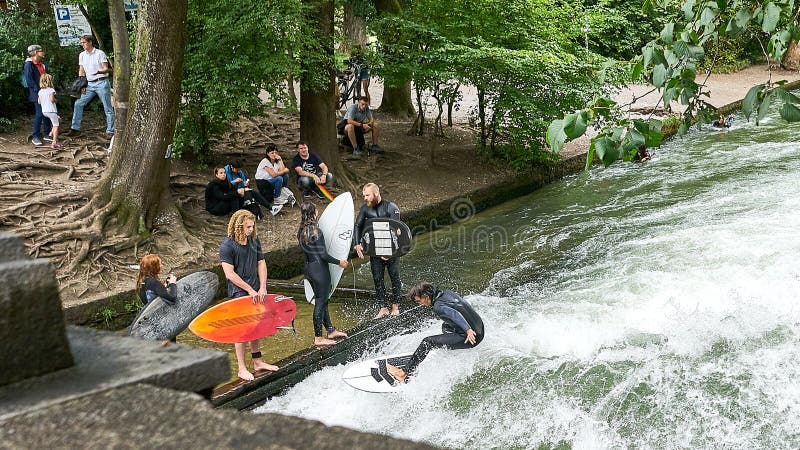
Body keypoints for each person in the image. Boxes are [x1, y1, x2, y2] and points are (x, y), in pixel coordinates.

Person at [219, 209, 280, 381]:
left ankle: (258, 361)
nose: (251, 230)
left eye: (252, 226)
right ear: (239, 227)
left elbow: (261, 263)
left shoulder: (254, 241)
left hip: (255, 289)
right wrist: (249, 290)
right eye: (248, 227)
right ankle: (241, 368)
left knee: (256, 325)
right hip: (239, 291)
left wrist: (262, 287)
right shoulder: (227, 246)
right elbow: (230, 274)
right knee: (242, 330)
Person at [386, 281, 484, 383]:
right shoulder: (447, 293)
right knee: (445, 326)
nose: (420, 304)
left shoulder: (438, 307)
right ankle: (452, 344)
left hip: (472, 337)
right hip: (479, 328)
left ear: (426, 296)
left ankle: (403, 373)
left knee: (428, 342)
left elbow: (454, 314)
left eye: (419, 301)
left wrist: (468, 330)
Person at [297, 202, 349, 346]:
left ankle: (330, 330)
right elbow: (324, 255)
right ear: (314, 212)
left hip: (308, 269)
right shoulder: (316, 231)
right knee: (320, 302)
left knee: (323, 300)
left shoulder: (301, 231)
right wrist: (339, 262)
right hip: (320, 270)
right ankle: (318, 337)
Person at [353, 182, 402, 319]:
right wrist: (357, 244)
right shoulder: (365, 209)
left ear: (376, 194)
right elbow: (357, 226)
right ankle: (383, 307)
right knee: (377, 278)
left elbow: (397, 230)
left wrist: (390, 252)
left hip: (392, 249)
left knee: (394, 276)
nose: (365, 198)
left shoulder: (390, 207)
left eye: (367, 195)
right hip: (375, 250)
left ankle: (395, 305)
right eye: (364, 195)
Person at [68, 35, 114, 136]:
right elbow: (81, 69)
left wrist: (99, 71)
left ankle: (110, 130)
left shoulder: (99, 53)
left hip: (101, 82)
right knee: (78, 104)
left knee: (107, 107)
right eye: (81, 43)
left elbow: (105, 68)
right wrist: (81, 84)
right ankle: (75, 129)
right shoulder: (82, 55)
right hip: (89, 83)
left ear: (90, 42)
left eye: (84, 42)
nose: (82, 45)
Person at [23, 44, 51, 147]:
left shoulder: (42, 64)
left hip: (47, 92)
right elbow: (29, 81)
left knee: (47, 112)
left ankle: (47, 134)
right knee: (40, 113)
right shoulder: (28, 65)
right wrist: (39, 92)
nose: (42, 52)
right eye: (40, 50)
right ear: (35, 53)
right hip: (37, 94)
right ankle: (35, 136)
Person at [37, 74, 62, 149]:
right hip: (51, 111)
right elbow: (52, 99)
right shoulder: (51, 90)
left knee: (59, 119)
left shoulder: (40, 91)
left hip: (44, 111)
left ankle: (51, 132)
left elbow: (39, 102)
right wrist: (56, 100)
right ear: (50, 81)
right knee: (56, 125)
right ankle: (54, 142)